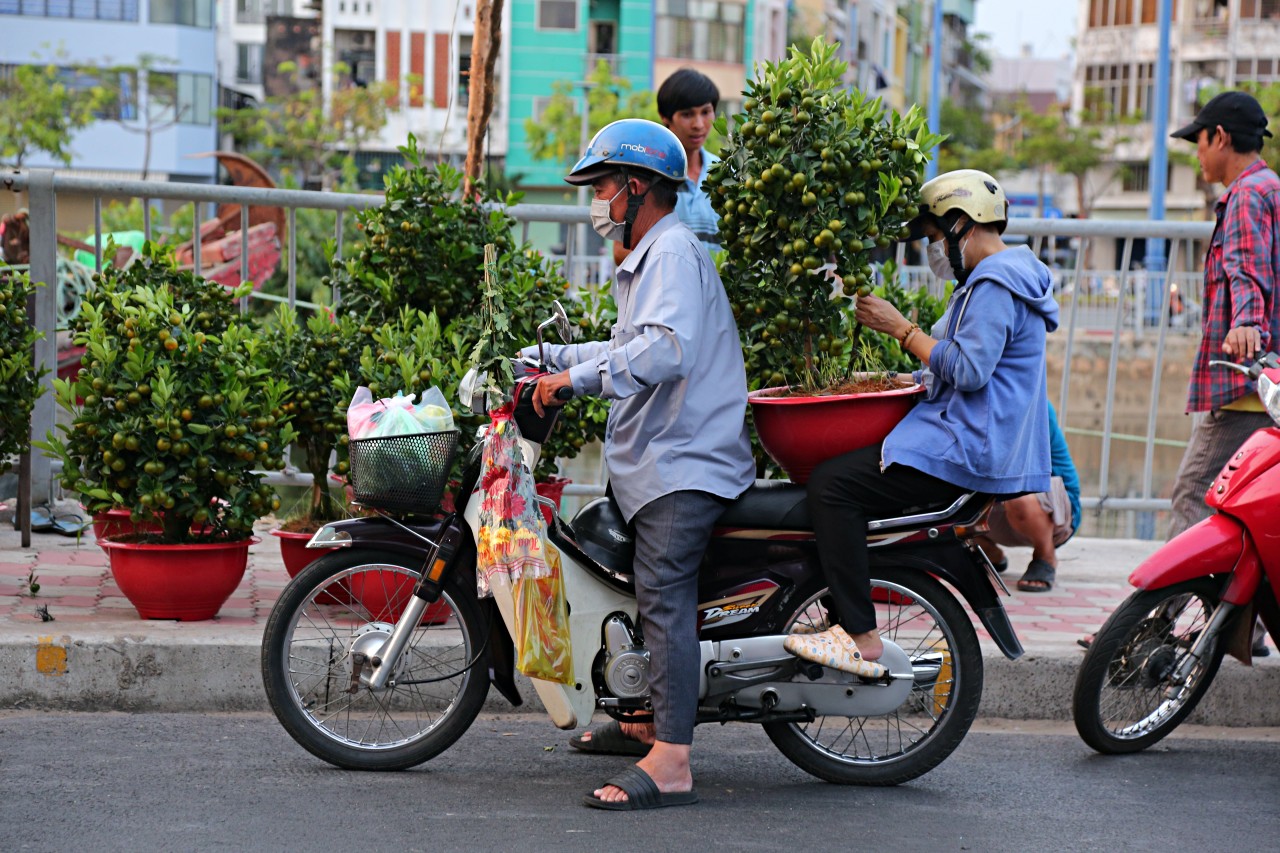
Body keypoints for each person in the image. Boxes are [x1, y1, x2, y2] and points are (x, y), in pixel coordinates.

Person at [527, 119, 755, 809]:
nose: (595, 200)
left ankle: (674, 759)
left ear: (637, 188)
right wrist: (549, 361)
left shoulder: (674, 253)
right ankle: (641, 714)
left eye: (601, 185)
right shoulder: (646, 258)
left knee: (661, 589)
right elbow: (625, 343)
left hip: (685, 462)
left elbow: (663, 352)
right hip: (657, 457)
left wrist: (574, 382)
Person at [783, 169, 1060, 675]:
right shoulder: (992, 281)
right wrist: (894, 377)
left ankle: (859, 635)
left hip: (963, 449)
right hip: (966, 439)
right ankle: (839, 609)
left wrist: (900, 328)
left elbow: (970, 371)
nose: (932, 251)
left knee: (832, 487)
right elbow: (955, 368)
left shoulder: (995, 284)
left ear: (961, 224)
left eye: (933, 238)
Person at [1165, 90, 1278, 655]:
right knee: (1249, 512)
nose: (1197, 156)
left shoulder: (1247, 194)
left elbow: (1246, 269)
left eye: (1199, 142)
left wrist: (1247, 326)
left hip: (1241, 382)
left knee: (1193, 497)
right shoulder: (1273, 189)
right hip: (1267, 384)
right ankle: (1242, 627)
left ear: (1221, 138)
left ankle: (1162, 625)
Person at [613, 67, 721, 266]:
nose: (699, 124)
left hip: (719, 293)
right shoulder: (647, 176)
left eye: (706, 112)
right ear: (665, 116)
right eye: (687, 114)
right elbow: (621, 252)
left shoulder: (725, 172)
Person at [975, 400, 1082, 593]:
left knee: (1016, 488)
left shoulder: (1035, 402)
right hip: (1000, 504)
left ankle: (1045, 556)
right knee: (946, 495)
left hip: (1053, 512)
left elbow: (1011, 460)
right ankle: (990, 554)